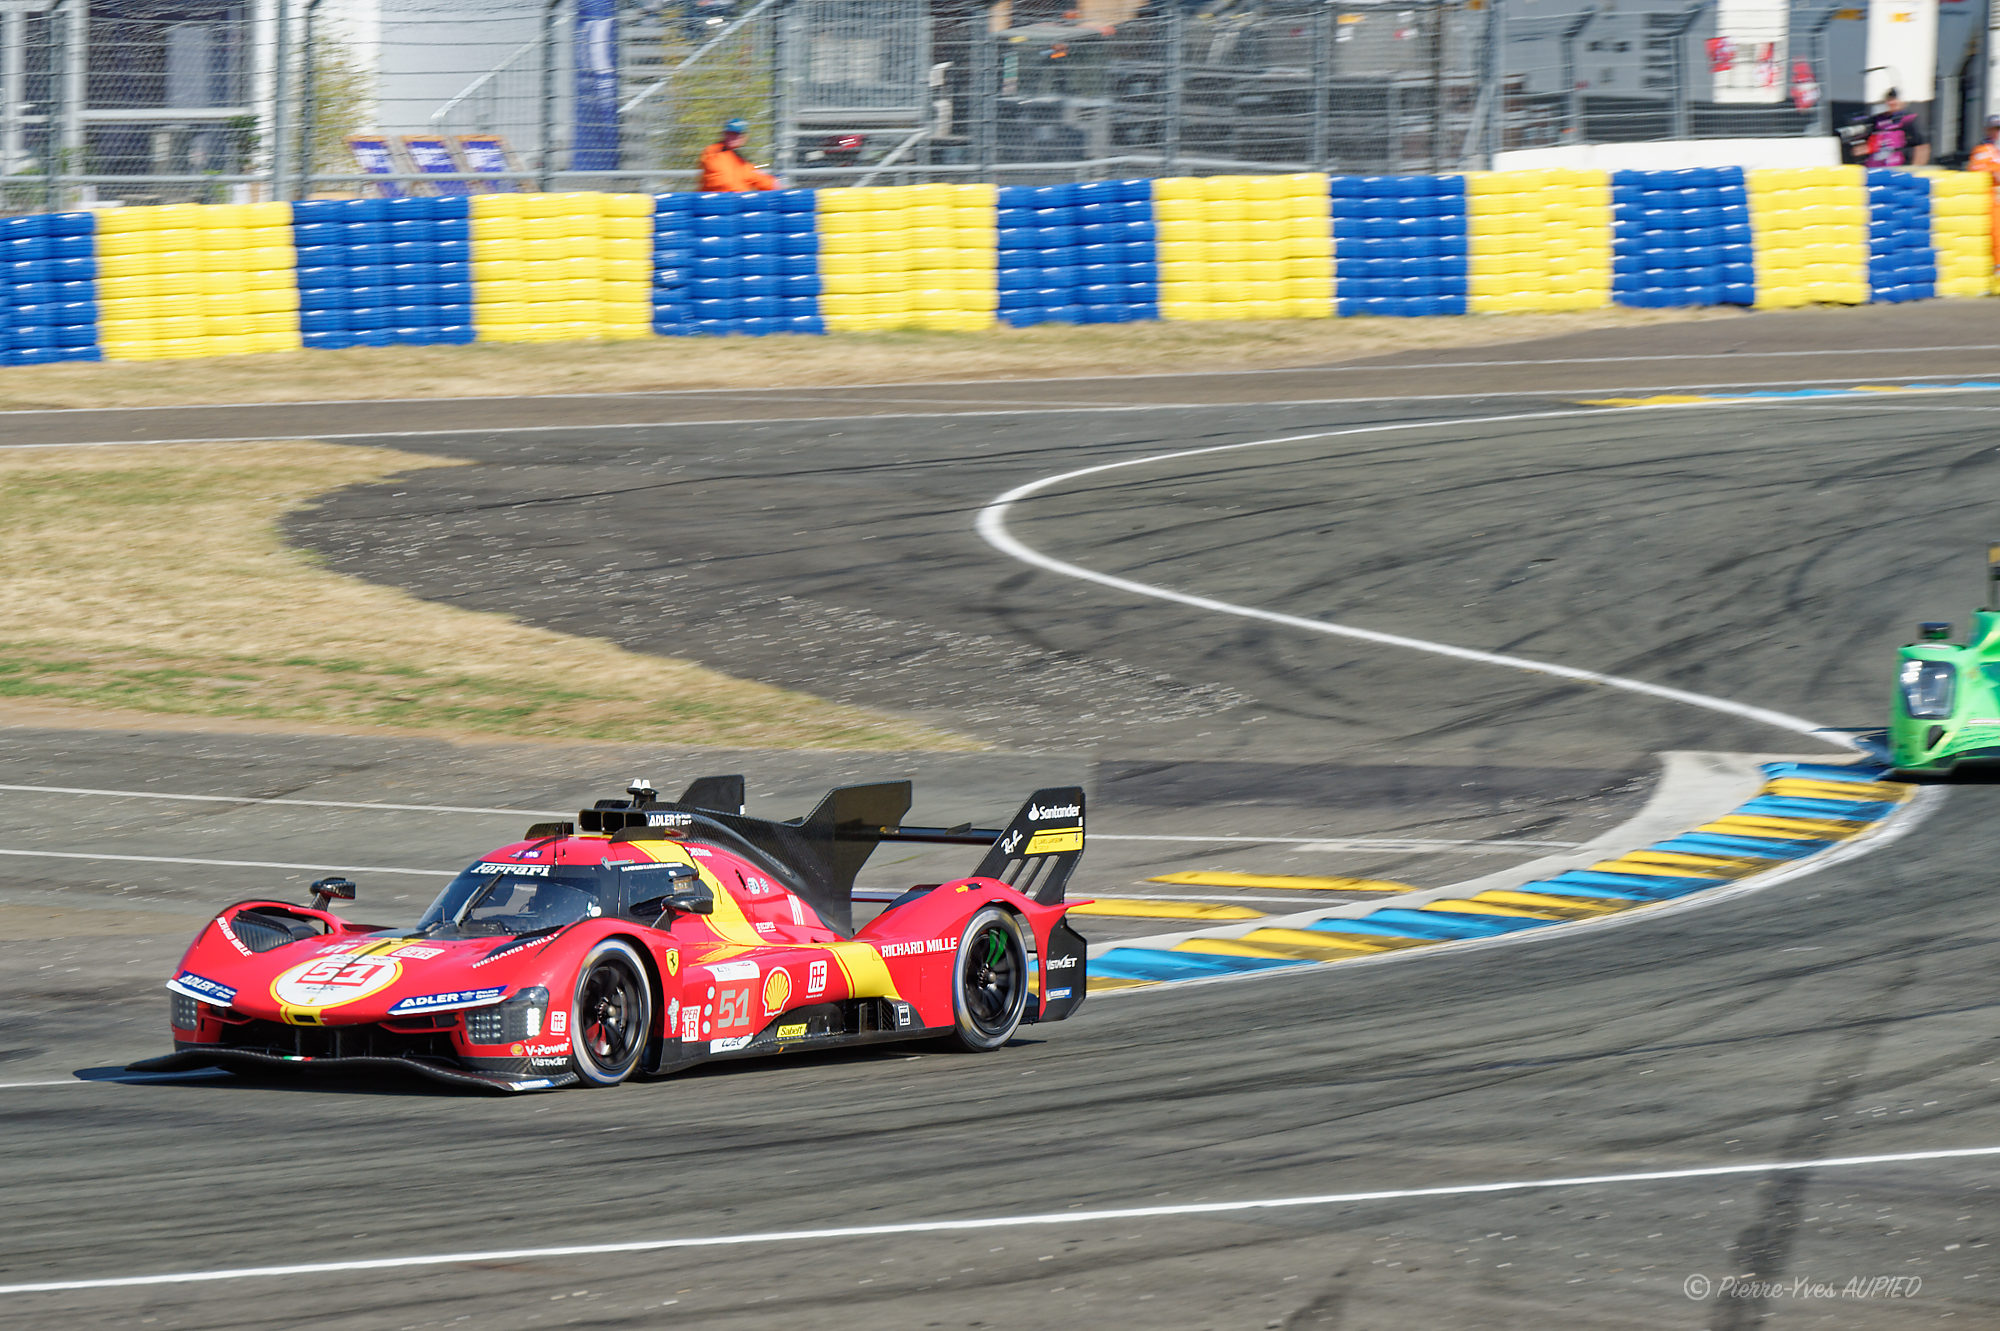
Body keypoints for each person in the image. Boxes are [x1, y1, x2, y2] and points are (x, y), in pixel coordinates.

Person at [698, 118, 779, 192]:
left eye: (737, 134)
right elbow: (724, 181)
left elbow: (755, 176)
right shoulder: (714, 151)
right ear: (724, 134)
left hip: (732, 202)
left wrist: (773, 183)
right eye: (730, 133)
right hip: (716, 202)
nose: (733, 137)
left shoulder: (740, 161)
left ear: (744, 138)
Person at [1863, 88, 1929, 167]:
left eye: (1895, 100)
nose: (1892, 103)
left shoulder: (1908, 119)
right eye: (1889, 100)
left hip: (1899, 166)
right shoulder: (1876, 120)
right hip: (1877, 166)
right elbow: (1867, 142)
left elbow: (1921, 146)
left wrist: (1916, 168)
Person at [1970, 116, 2000, 269]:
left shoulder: (1996, 150)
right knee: (1996, 232)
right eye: (1994, 129)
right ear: (1987, 130)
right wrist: (1992, 173)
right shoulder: (1981, 149)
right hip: (1987, 199)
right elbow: (1975, 168)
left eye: (1998, 129)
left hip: (1995, 198)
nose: (1996, 133)